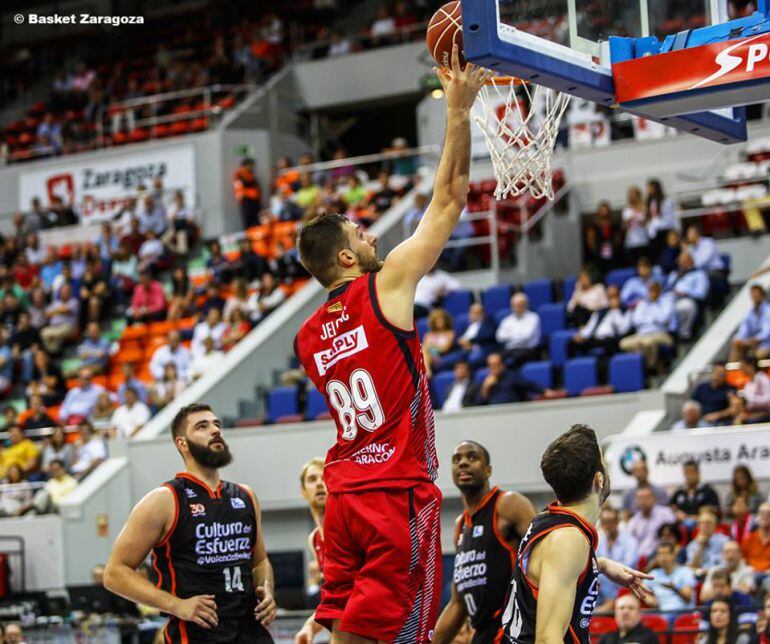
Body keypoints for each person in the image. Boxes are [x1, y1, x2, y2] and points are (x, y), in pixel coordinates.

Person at [293, 51, 493, 643]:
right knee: (409, 635)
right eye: (362, 232)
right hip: (393, 494)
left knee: (349, 632)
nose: (374, 233)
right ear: (348, 259)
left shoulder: (306, 338)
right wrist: (458, 109)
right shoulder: (386, 287)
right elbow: (450, 200)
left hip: (345, 496)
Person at [103, 403, 276, 642]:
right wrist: (176, 605)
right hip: (197, 634)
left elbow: (260, 562)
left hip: (251, 630)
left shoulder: (246, 495)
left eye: (217, 425)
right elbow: (114, 573)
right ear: (182, 444)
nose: (215, 430)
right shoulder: (164, 500)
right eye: (202, 427)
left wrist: (266, 588)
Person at [500, 424, 651, 642]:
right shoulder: (568, 539)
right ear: (599, 480)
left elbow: (549, 567)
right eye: (605, 465)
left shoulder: (550, 519)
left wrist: (601, 565)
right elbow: (547, 640)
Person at [434, 441, 536, 643]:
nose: (463, 463)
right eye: (457, 460)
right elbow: (458, 603)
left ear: (488, 470)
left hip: (515, 632)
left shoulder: (508, 504)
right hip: (483, 635)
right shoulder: (460, 526)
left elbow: (548, 558)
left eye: (472, 457)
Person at [294, 458, 327, 644]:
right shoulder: (314, 539)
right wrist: (310, 626)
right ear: (303, 491)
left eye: (325, 478)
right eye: (313, 479)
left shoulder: (346, 527)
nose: (320, 483)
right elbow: (335, 598)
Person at [619, 281, 676, 371]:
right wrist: (652, 320)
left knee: (647, 342)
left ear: (660, 291)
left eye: (654, 290)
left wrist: (649, 314)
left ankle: (649, 369)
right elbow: (636, 320)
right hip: (642, 334)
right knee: (623, 343)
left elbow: (663, 319)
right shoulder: (642, 304)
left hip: (661, 333)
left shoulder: (666, 301)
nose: (651, 293)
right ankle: (639, 368)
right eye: (650, 291)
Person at [568, 287, 630, 364]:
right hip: (596, 338)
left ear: (619, 297)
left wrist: (615, 311)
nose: (611, 299)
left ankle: (604, 373)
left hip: (612, 339)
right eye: (609, 297)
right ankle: (575, 370)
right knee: (571, 343)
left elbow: (623, 330)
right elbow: (590, 327)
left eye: (614, 296)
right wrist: (581, 335)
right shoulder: (600, 312)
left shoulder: (625, 311)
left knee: (609, 345)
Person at [595, 506, 640, 610]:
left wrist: (606, 568)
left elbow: (628, 567)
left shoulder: (630, 541)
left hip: (622, 586)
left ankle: (609, 605)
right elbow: (594, 564)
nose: (607, 525)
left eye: (610, 521)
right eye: (604, 522)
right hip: (601, 589)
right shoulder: (598, 540)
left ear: (617, 522)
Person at [469, 352, 555, 406]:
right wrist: (485, 388)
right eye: (491, 365)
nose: (494, 367)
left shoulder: (512, 376)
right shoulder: (485, 381)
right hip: (494, 415)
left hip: (512, 412)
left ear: (502, 365)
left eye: (496, 364)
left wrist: (545, 391)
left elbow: (530, 384)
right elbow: (478, 404)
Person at [664, 251, 709, 340]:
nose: (679, 262)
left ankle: (684, 332)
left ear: (689, 261)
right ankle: (668, 332)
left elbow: (701, 294)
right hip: (671, 298)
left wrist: (686, 293)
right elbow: (667, 288)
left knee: (685, 307)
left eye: (681, 260)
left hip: (687, 299)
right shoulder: (674, 274)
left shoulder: (699, 274)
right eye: (679, 260)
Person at [627, 484, 677, 561]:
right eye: (640, 499)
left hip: (660, 554)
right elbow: (629, 542)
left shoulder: (666, 514)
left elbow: (673, 536)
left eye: (646, 498)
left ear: (654, 499)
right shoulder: (633, 521)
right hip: (639, 558)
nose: (643, 501)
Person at [646, 542, 696, 618]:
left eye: (666, 554)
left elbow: (688, 598)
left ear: (674, 555)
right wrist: (648, 598)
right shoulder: (654, 574)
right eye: (660, 554)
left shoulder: (686, 571)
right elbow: (638, 587)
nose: (663, 557)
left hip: (683, 613)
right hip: (662, 613)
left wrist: (675, 588)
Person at [495, 293, 541, 368]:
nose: (517, 307)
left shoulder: (533, 317)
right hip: (509, 349)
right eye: (515, 305)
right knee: (495, 359)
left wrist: (509, 335)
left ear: (526, 305)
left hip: (527, 349)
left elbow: (526, 337)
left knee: (514, 359)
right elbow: (499, 337)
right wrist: (518, 334)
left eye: (520, 305)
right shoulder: (507, 320)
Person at [730, 284, 770, 362]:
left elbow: (766, 333)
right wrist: (738, 339)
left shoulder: (768, 311)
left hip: (766, 344)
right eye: (752, 293)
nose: (754, 296)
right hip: (753, 343)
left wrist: (753, 340)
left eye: (756, 293)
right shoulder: (750, 313)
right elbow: (744, 329)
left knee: (758, 354)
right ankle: (733, 372)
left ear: (762, 295)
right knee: (736, 346)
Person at [685, 508, 729, 573]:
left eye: (708, 523)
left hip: (718, 576)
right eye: (702, 523)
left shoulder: (725, 541)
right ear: (698, 526)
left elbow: (727, 565)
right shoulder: (692, 545)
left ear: (715, 525)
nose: (705, 525)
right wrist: (700, 547)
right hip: (699, 578)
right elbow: (691, 568)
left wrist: (709, 571)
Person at [422, 308, 456, 376]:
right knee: (424, 349)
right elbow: (425, 346)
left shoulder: (450, 333)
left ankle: (426, 371)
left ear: (446, 320)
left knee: (426, 350)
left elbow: (445, 348)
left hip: (441, 356)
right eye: (437, 320)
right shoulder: (429, 334)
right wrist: (432, 348)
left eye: (441, 319)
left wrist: (432, 347)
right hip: (430, 355)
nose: (439, 321)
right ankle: (427, 370)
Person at [622, 186, 650, 266]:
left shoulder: (644, 208)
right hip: (631, 242)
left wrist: (638, 219)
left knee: (644, 263)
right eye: (630, 195)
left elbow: (646, 222)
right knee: (633, 264)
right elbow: (625, 226)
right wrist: (627, 222)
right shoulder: (627, 210)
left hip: (643, 240)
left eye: (634, 195)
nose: (632, 197)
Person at [738, 355, 770, 421]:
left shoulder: (762, 378)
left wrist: (750, 400)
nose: (741, 368)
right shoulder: (748, 382)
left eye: (743, 366)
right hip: (753, 413)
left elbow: (768, 399)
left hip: (765, 413)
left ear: (750, 366)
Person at [741, 502, 770, 574]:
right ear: (758, 517)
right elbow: (742, 560)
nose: (765, 516)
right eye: (762, 513)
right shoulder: (749, 539)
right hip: (750, 575)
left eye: (769, 514)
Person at [233, 158, 262, 230]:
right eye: (251, 165)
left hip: (254, 200)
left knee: (256, 220)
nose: (253, 167)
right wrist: (250, 194)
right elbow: (239, 188)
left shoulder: (251, 174)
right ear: (247, 165)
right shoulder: (239, 174)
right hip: (247, 201)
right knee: (248, 221)